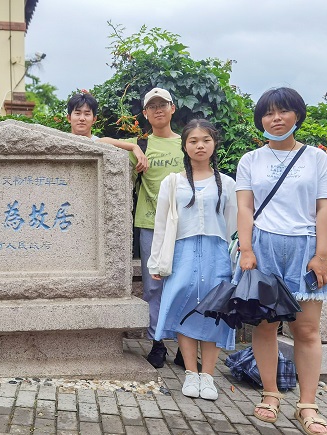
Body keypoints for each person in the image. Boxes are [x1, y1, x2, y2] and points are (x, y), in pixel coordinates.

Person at [236, 87, 327, 434]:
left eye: (283, 111)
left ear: (297, 115)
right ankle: (270, 394)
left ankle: (307, 405)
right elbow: (245, 207)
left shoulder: (317, 159)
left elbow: (325, 208)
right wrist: (246, 250)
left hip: (305, 250)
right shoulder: (250, 160)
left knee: (306, 329)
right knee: (264, 326)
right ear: (260, 119)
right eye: (268, 113)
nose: (275, 118)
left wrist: (322, 255)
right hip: (263, 247)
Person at [148, 119, 237, 400]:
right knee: (184, 308)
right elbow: (161, 224)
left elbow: (233, 228)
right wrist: (156, 262)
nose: (200, 146)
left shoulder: (228, 184)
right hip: (182, 253)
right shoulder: (173, 182)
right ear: (184, 146)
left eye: (206, 140)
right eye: (193, 141)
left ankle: (207, 376)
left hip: (217, 254)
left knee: (215, 311)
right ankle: (190, 372)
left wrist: (235, 261)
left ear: (214, 143)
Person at [134, 88, 184, 368]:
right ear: (145, 113)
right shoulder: (141, 143)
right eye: (152, 106)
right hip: (150, 224)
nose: (158, 110)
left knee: (185, 285)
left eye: (163, 104)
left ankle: (186, 345)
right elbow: (100, 142)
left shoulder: (187, 142)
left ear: (172, 108)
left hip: (186, 227)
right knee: (153, 287)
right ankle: (157, 343)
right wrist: (133, 148)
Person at [65, 92, 149, 174]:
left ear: (94, 119)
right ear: (69, 118)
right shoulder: (62, 142)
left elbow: (105, 141)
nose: (82, 118)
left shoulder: (98, 143)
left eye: (87, 114)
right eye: (77, 113)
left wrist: (135, 147)